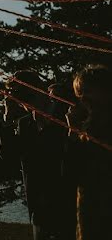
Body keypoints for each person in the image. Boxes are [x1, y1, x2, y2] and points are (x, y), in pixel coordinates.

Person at [0, 71, 74, 240]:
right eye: (16, 94)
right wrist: (8, 119)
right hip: (38, 208)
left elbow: (63, 152)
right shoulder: (24, 124)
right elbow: (9, 158)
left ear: (38, 89)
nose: (21, 99)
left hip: (67, 204)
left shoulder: (65, 114)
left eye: (23, 92)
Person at [64, 65, 112, 240]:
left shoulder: (98, 128)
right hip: (90, 216)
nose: (83, 98)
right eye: (80, 92)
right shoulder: (86, 128)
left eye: (88, 91)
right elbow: (71, 174)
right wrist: (73, 134)